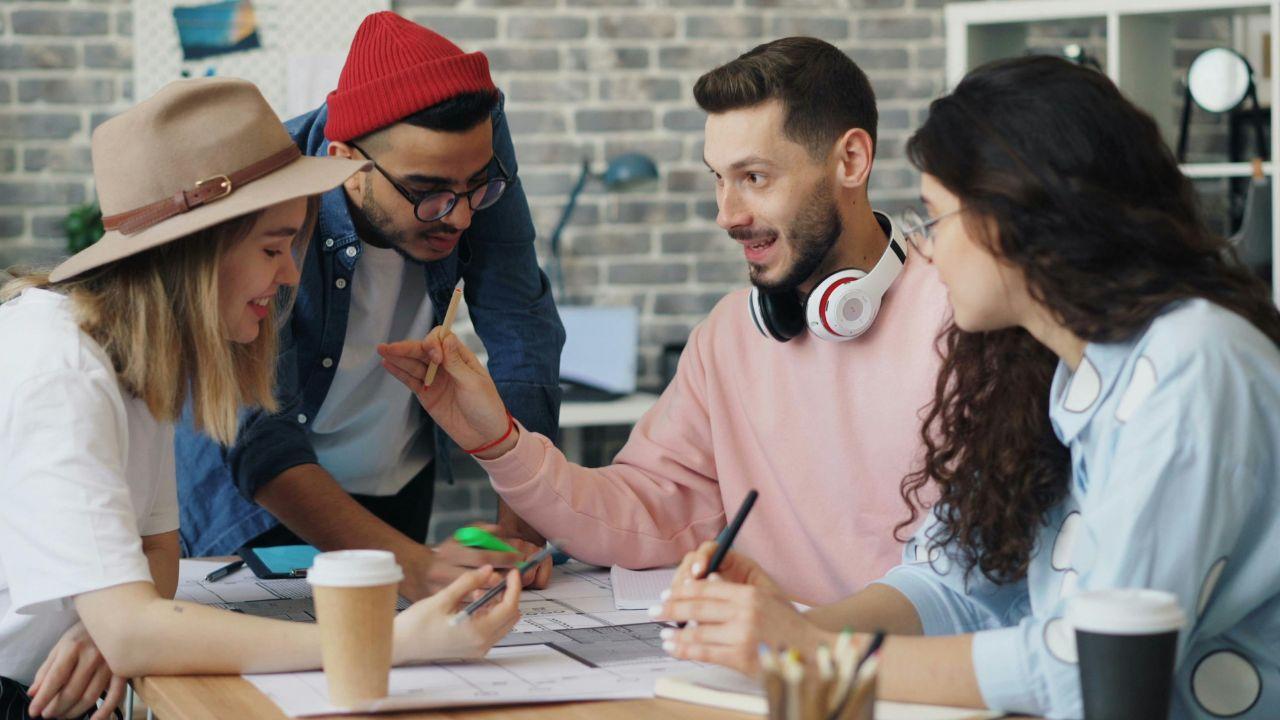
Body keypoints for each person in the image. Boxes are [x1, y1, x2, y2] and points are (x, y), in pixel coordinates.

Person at [653, 56, 1280, 720]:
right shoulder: (1047, 369)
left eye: (936, 218)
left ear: (1018, 220)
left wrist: (807, 649)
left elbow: (1085, 672)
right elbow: (949, 582)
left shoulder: (1191, 363)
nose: (928, 249)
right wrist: (790, 625)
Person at [0, 78, 521, 720]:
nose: (291, 276)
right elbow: (134, 626)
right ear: (191, 252)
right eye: (274, 248)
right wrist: (387, 643)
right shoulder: (64, 370)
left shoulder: (137, 358)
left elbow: (158, 556)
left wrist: (108, 625)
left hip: (56, 679)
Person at [378, 37, 950, 606]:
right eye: (718, 178)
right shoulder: (729, 336)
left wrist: (804, 636)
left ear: (850, 161)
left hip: (912, 677)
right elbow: (643, 512)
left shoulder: (962, 316)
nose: (726, 215)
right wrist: (501, 442)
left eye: (754, 177)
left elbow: (976, 584)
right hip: (763, 670)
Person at [175, 12, 564, 601]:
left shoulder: (465, 153)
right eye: (428, 193)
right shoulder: (268, 196)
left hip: (395, 480)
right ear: (345, 161)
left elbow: (521, 325)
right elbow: (259, 432)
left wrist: (523, 526)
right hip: (265, 498)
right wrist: (411, 565)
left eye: (476, 189)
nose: (460, 215)